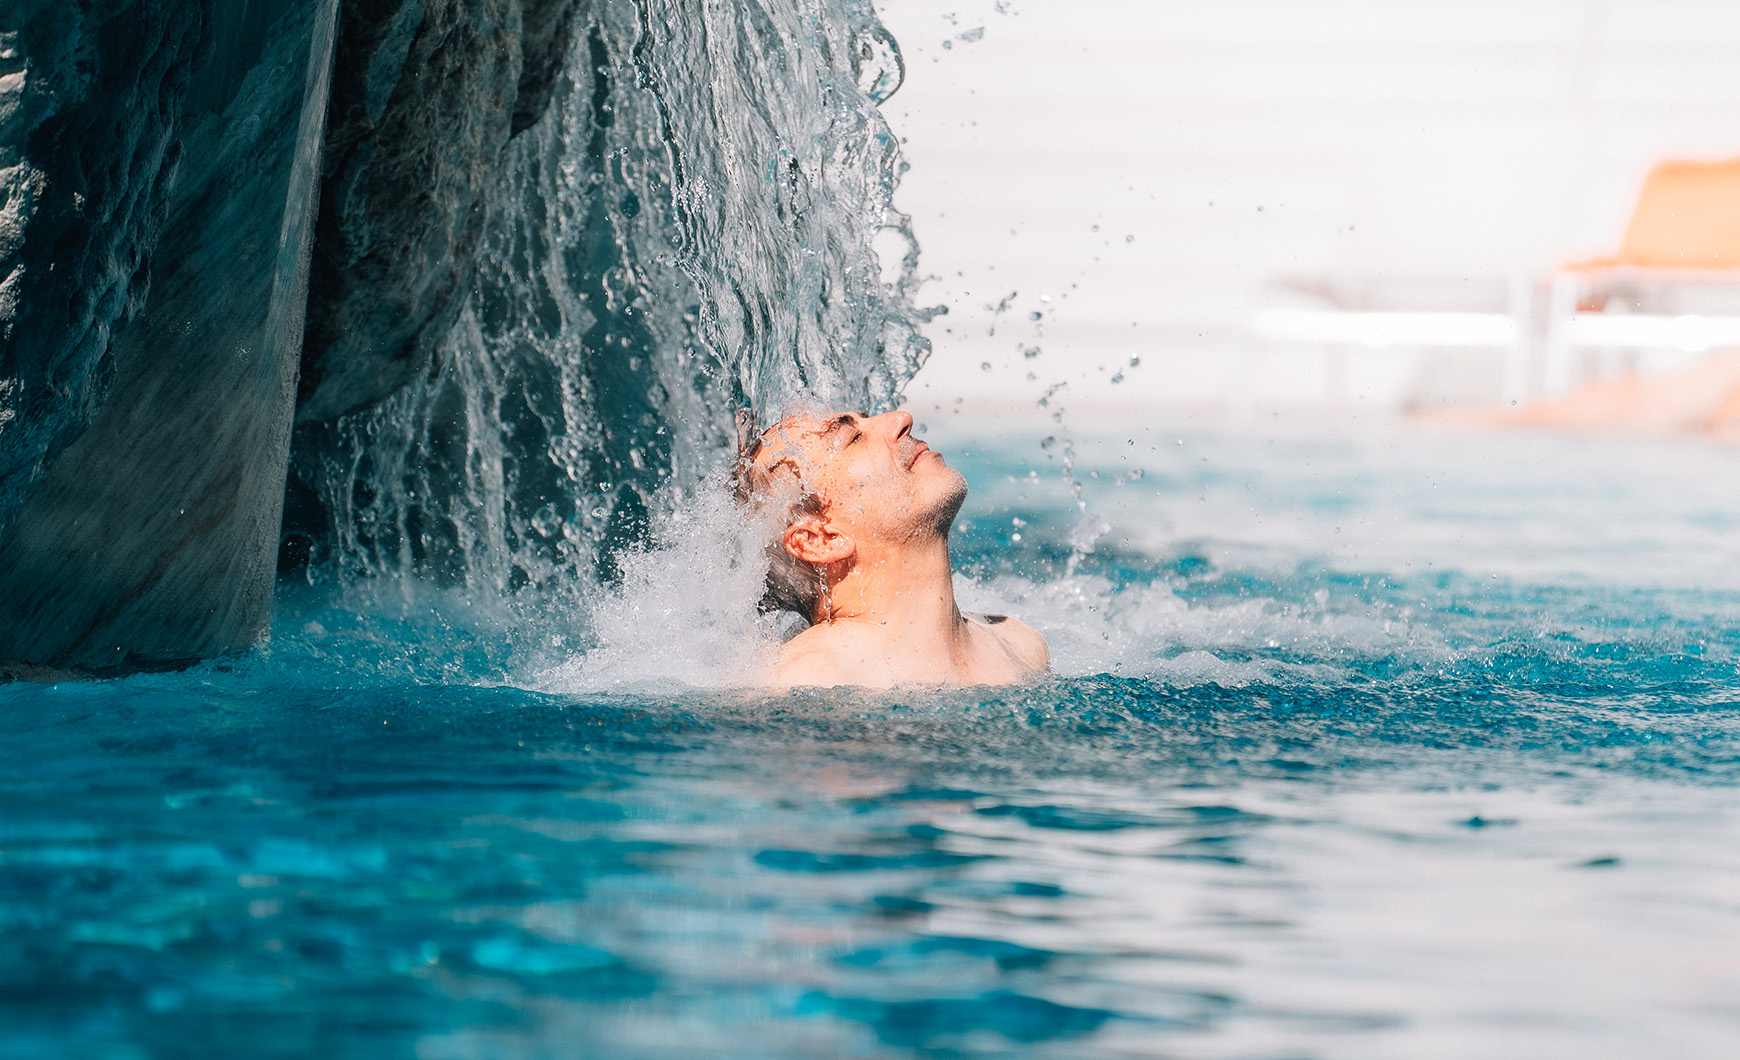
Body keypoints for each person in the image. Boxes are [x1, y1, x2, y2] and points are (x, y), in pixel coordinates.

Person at [735, 408, 1049, 689]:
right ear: (820, 540)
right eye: (853, 437)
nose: (902, 418)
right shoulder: (802, 680)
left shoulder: (1021, 645)